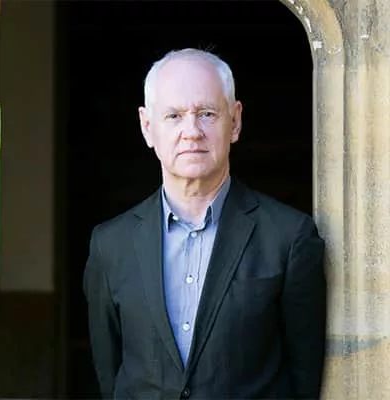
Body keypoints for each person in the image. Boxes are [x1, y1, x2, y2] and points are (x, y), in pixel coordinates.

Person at [82, 48, 327, 399]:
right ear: (147, 127)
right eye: (174, 116)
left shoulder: (289, 238)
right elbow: (110, 376)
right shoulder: (110, 245)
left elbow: (304, 379)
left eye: (207, 114)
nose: (191, 131)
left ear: (235, 121)